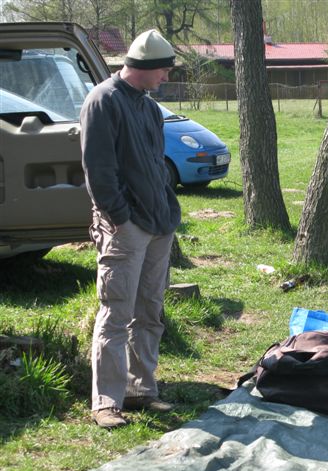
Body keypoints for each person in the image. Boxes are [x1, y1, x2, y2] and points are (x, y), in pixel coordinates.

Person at [80, 29, 181, 428]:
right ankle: (106, 401)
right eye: (164, 70)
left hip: (158, 224)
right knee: (116, 312)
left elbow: (154, 164)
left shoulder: (149, 107)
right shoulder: (103, 101)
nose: (167, 78)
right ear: (144, 67)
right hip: (125, 226)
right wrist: (120, 219)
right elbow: (99, 172)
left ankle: (142, 389)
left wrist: (167, 211)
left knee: (150, 311)